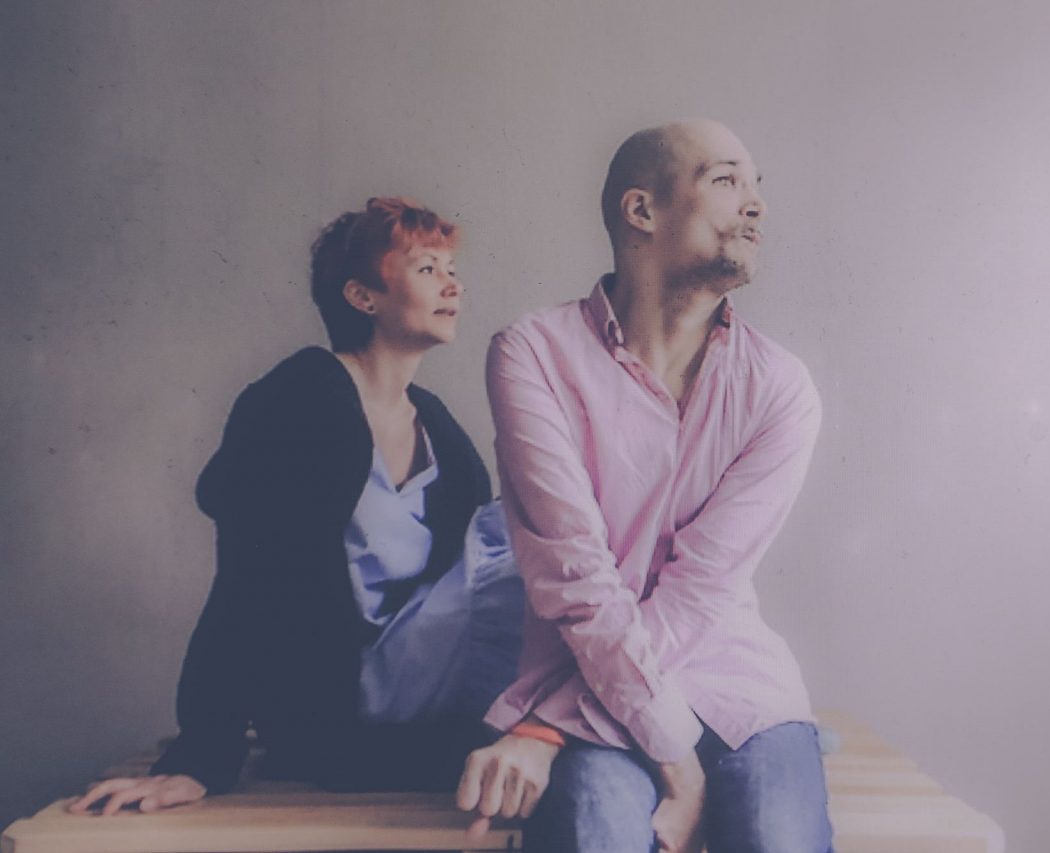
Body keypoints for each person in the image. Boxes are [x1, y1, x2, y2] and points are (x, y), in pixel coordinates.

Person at [70, 197, 523, 815]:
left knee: (545, 531)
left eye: (451, 269)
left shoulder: (435, 426)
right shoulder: (305, 398)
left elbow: (466, 584)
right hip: (340, 696)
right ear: (362, 296)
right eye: (426, 269)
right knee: (527, 543)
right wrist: (201, 757)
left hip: (421, 683)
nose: (453, 285)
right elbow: (249, 579)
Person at [456, 120, 833, 852]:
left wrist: (544, 727)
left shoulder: (783, 389)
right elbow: (576, 577)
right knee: (595, 832)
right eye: (725, 180)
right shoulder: (533, 354)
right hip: (590, 687)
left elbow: (700, 594)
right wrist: (675, 760)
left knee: (779, 840)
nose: (755, 203)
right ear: (641, 210)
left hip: (732, 691)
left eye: (756, 186)